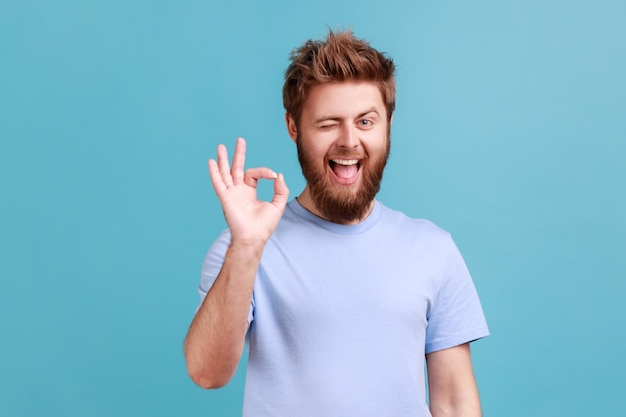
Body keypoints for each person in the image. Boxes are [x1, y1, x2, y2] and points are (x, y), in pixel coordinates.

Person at [184, 29, 489, 417]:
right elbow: (206, 373)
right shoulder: (244, 248)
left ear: (388, 125)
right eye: (328, 123)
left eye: (365, 121)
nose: (349, 141)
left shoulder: (433, 248)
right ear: (294, 128)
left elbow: (454, 403)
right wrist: (245, 247)